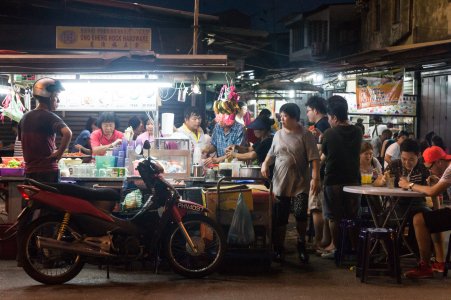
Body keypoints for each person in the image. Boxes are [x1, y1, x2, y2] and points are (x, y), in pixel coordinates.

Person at [261, 103, 320, 264]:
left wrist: (316, 178)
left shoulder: (306, 135)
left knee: (301, 215)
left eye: (285, 116)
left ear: (294, 118)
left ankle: (301, 245)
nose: (282, 118)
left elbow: (314, 159)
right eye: (281, 115)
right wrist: (265, 163)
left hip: (300, 183)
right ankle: (279, 248)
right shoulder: (278, 134)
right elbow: (271, 154)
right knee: (281, 218)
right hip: (280, 182)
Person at [398, 146, 451, 278]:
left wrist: (409, 185)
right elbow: (436, 202)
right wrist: (436, 185)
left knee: (419, 219)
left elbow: (432, 192)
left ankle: (425, 267)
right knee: (431, 218)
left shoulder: (449, 170)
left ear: (439, 162)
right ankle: (439, 262)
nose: (429, 170)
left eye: (430, 167)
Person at [321, 95, 362, 261]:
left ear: (335, 117)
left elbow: (325, 152)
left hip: (333, 180)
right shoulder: (358, 132)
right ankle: (354, 248)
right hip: (353, 180)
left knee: (334, 217)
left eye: (329, 118)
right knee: (353, 216)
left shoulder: (329, 133)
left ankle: (337, 249)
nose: (329, 121)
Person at [18, 77, 72, 182]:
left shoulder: (24, 117)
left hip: (30, 172)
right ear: (50, 98)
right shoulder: (50, 116)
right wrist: (59, 153)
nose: (58, 100)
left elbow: (25, 144)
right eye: (56, 96)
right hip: (48, 171)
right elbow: (67, 133)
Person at [305, 95, 332, 253]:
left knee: (316, 208)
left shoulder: (321, 126)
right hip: (323, 172)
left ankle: (319, 242)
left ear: (315, 110)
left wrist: (315, 170)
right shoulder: (327, 124)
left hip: (319, 173)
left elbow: (322, 152)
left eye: (308, 111)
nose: (307, 114)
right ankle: (323, 241)